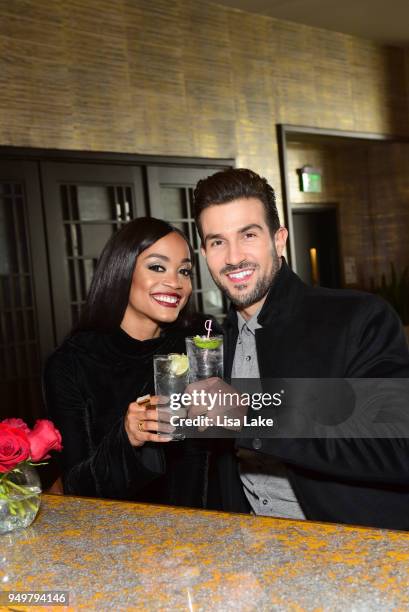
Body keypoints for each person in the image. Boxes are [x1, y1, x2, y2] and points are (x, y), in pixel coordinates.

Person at [191, 168, 409, 530]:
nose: (233, 257)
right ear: (204, 252)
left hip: (349, 554)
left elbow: (398, 446)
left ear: (279, 240)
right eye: (217, 242)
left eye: (248, 235)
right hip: (246, 553)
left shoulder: (356, 318)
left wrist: (252, 417)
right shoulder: (211, 343)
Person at [44, 217, 213, 507]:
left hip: (209, 528)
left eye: (184, 271)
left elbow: (234, 435)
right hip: (122, 537)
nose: (175, 283)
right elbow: (76, 487)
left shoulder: (201, 343)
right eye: (157, 267)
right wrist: (127, 437)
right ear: (122, 270)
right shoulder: (72, 363)